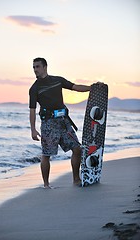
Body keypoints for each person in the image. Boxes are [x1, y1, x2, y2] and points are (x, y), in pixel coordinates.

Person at [29, 57, 91, 188]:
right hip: (48, 124)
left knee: (77, 149)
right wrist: (33, 129)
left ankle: (76, 179)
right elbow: (32, 110)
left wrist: (91, 88)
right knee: (46, 154)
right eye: (33, 67)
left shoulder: (57, 80)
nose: (35, 69)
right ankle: (46, 184)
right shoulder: (34, 88)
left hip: (64, 122)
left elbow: (75, 87)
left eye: (37, 66)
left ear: (45, 67)